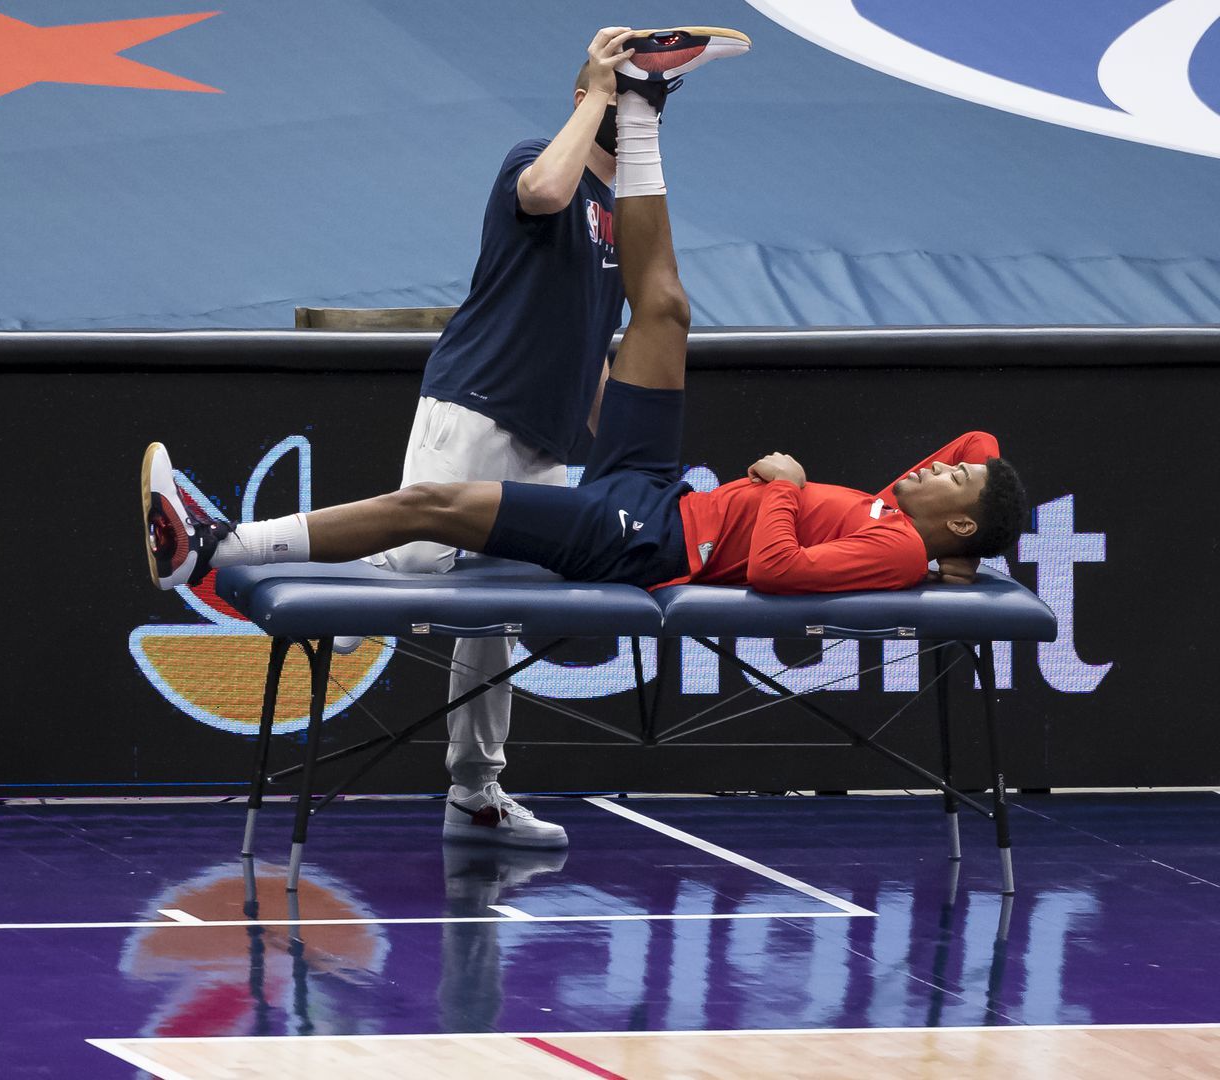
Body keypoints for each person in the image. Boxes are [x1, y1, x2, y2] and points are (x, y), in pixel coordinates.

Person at [142, 58, 1032, 781]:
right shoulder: (904, 513)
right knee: (668, 312)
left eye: (947, 479)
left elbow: (778, 575)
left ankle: (221, 549)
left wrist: (789, 493)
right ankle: (647, 117)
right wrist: (616, 99)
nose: (934, 464)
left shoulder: (899, 543)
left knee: (432, 527)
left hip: (648, 532)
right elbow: (981, 453)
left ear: (953, 521)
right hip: (613, 467)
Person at [351, 26, 749, 849]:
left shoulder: (621, 217)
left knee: (492, 610)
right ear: (586, 99)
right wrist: (597, 93)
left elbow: (597, 350)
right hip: (477, 401)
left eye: (645, 105)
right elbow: (542, 191)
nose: (634, 113)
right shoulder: (536, 158)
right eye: (620, 98)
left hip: (544, 436)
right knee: (424, 561)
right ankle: (266, 559)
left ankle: (476, 793)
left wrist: (618, 467)